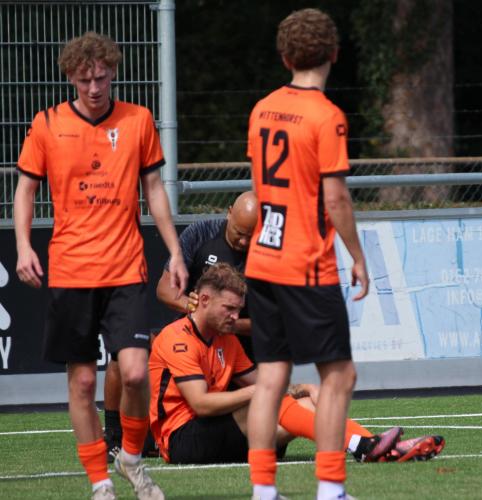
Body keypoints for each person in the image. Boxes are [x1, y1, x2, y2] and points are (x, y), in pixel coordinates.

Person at [14, 32, 188, 500]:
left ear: (113, 74)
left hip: (126, 268)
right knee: (84, 380)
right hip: (71, 270)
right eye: (85, 79)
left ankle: (130, 457)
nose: (94, 88)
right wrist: (24, 247)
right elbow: (26, 190)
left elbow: (154, 190)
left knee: (134, 373)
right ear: (71, 78)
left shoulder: (138, 120)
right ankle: (100, 482)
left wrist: (174, 251)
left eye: (102, 78)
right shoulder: (47, 124)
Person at [148, 263, 445, 467]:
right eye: (228, 309)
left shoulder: (227, 339)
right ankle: (364, 446)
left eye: (238, 310)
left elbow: (262, 385)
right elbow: (201, 405)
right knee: (267, 399)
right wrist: (262, 391)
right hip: (181, 441)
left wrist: (303, 388)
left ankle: (376, 446)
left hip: (217, 434)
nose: (235, 317)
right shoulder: (177, 338)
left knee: (306, 404)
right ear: (203, 300)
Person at [244, 9, 367, 500]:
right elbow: (335, 198)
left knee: (271, 377)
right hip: (305, 263)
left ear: (285, 57)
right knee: (339, 374)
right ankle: (330, 489)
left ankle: (263, 491)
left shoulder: (262, 108)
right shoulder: (326, 115)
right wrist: (357, 255)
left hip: (263, 258)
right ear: (334, 53)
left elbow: (261, 186)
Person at [103, 190, 258, 461]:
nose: (244, 241)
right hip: (195, 341)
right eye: (239, 232)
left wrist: (230, 325)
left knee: (270, 411)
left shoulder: (270, 251)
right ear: (229, 212)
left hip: (241, 347)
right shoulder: (200, 234)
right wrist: (194, 307)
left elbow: (277, 323)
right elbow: (164, 289)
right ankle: (115, 437)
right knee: (125, 351)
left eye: (251, 235)